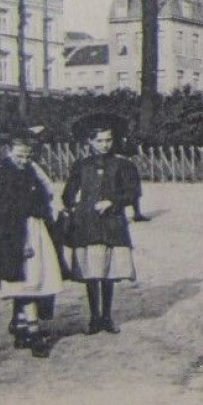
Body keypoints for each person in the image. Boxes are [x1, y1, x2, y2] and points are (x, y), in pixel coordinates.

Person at [0, 128, 64, 358]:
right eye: (18, 156)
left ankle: (21, 328)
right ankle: (32, 334)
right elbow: (4, 214)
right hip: (15, 233)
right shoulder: (3, 176)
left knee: (27, 280)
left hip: (32, 227)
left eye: (27, 156)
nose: (23, 160)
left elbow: (47, 191)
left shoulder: (29, 171)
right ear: (8, 152)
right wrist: (22, 243)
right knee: (28, 281)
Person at [63, 113, 141, 336]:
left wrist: (113, 201)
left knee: (108, 271)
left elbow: (132, 192)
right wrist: (75, 207)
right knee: (92, 272)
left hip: (112, 223)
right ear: (89, 141)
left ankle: (107, 316)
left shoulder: (122, 165)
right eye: (100, 141)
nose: (105, 145)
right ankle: (94, 318)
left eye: (108, 140)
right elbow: (68, 193)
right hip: (88, 224)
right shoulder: (81, 165)